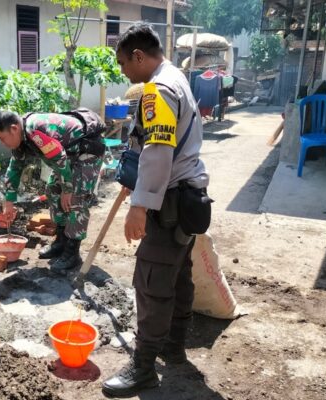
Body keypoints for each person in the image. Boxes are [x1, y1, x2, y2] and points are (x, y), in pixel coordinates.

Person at [101, 23, 210, 397]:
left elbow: (158, 152)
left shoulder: (158, 90)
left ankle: (144, 367)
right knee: (178, 275)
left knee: (151, 282)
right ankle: (174, 347)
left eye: (122, 64)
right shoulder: (176, 76)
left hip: (169, 199)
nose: (123, 72)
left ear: (138, 56)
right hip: (188, 197)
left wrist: (140, 206)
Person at [0, 110, 104, 270]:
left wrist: (68, 189)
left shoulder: (35, 131)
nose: (2, 143)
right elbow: (15, 168)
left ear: (14, 128)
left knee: (76, 199)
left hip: (86, 152)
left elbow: (60, 158)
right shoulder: (21, 138)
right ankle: (61, 241)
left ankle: (72, 252)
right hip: (67, 157)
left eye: (2, 138)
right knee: (53, 190)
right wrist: (9, 200)